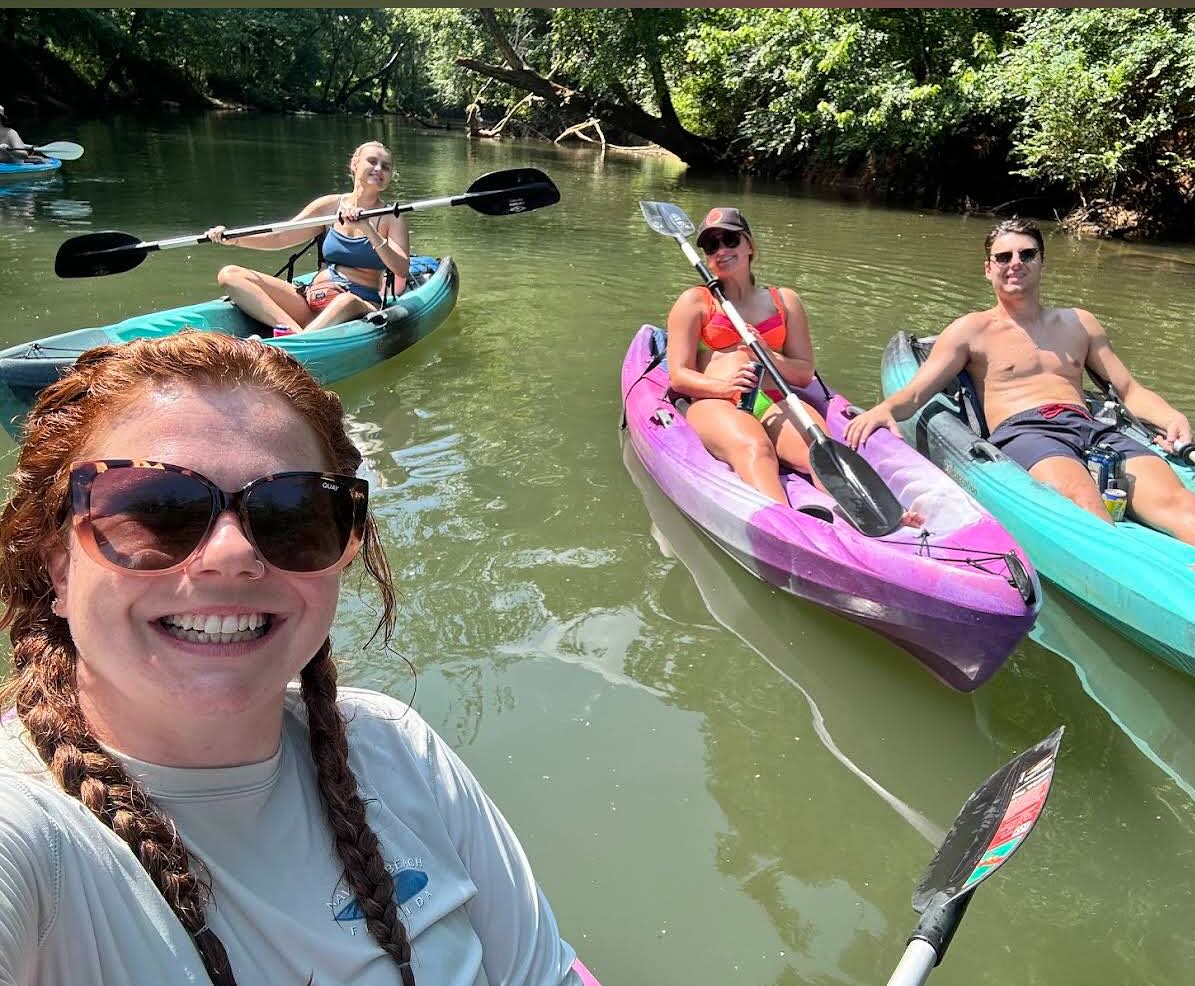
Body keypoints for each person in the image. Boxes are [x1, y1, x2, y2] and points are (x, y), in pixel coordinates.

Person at [0, 333, 584, 985]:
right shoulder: (23, 831)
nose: (232, 553)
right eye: (154, 509)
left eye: (290, 514)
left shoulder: (397, 753)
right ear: (57, 565)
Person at [846, 216, 1195, 594]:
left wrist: (1172, 415)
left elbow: (1129, 391)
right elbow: (916, 391)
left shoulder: (1078, 322)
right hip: (1026, 432)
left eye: (1027, 254)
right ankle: (1169, 582)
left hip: (1091, 428)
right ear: (987, 268)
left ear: (1042, 263)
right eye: (1003, 257)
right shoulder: (971, 329)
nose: (1016, 264)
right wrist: (883, 411)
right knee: (1082, 504)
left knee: (1180, 503)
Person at [664, 207, 834, 507]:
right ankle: (783, 530)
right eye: (711, 245)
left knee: (819, 451)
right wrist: (725, 387)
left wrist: (767, 353)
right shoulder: (695, 302)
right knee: (756, 448)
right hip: (713, 401)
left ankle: (872, 529)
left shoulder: (785, 301)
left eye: (730, 239)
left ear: (750, 245)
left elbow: (803, 373)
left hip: (770, 399)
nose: (721, 250)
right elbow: (678, 376)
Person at [206, 140, 410, 337]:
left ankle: (294, 342)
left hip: (357, 304)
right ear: (355, 164)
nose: (379, 169)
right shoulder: (328, 206)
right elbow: (280, 237)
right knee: (230, 274)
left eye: (386, 166)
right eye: (372, 161)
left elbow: (400, 268)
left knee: (346, 301)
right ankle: (292, 332)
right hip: (313, 297)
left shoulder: (392, 217)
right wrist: (234, 238)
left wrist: (367, 228)